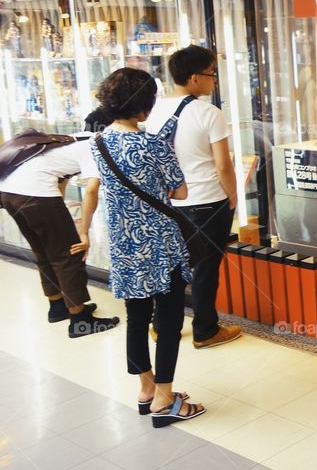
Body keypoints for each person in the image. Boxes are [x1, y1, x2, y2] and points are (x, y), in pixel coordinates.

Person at [83, 68, 205, 426]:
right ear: (144, 105)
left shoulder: (99, 143)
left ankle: (146, 389)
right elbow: (180, 192)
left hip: (124, 245)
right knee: (168, 322)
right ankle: (165, 401)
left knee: (137, 320)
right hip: (160, 244)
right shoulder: (152, 144)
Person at [144, 45, 240, 349]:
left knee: (173, 267)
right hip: (208, 202)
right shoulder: (209, 113)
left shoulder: (153, 110)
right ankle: (205, 330)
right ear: (195, 77)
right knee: (205, 268)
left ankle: (161, 326)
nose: (214, 80)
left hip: (169, 203)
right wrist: (234, 196)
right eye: (212, 74)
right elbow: (223, 165)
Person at [0, 109, 120, 338]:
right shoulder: (96, 145)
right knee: (69, 254)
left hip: (8, 192)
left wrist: (60, 210)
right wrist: (83, 232)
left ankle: (58, 307)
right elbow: (92, 191)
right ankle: (80, 320)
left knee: (44, 251)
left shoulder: (72, 138)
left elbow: (60, 176)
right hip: (35, 194)